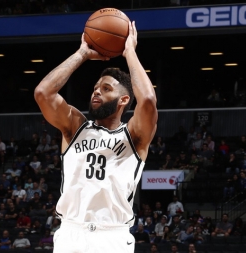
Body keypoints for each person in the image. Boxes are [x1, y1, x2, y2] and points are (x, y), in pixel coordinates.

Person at [34, 21, 157, 253]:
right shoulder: (75, 125)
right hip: (71, 233)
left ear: (123, 100)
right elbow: (43, 92)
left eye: (107, 89)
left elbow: (148, 100)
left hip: (112, 236)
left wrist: (129, 51)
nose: (97, 91)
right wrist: (81, 54)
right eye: (96, 88)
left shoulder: (134, 135)